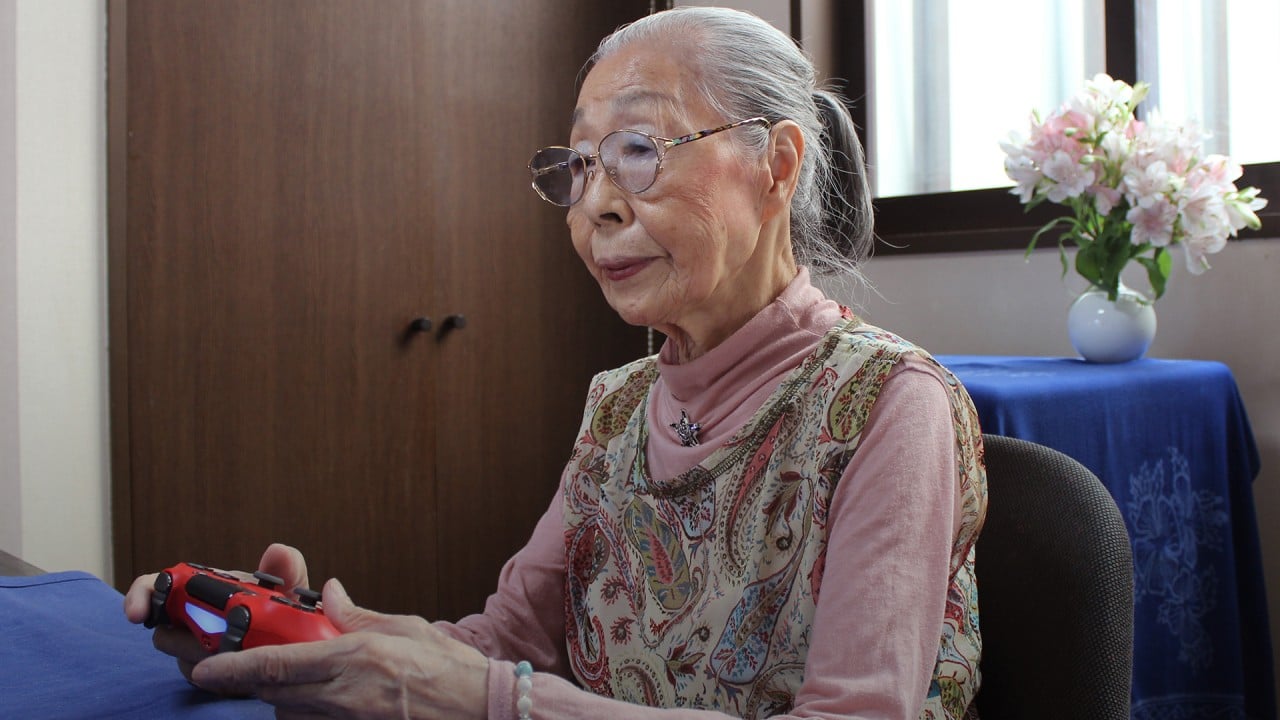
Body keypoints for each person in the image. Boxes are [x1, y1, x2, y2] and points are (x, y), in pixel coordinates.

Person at [124, 6, 986, 719]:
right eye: (578, 165)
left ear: (778, 166)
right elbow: (503, 645)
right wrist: (313, 639)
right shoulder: (617, 403)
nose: (596, 206)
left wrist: (500, 702)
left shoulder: (889, 404)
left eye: (639, 152)